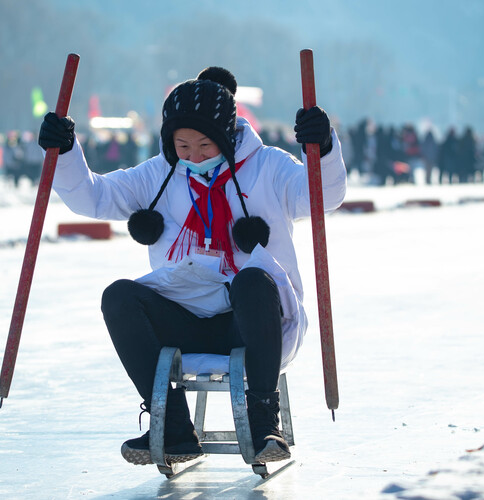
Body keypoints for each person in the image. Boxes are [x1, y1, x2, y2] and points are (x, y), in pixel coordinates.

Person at [38, 67, 347, 466]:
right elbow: (92, 197)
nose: (193, 157)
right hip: (184, 316)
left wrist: (321, 147)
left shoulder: (269, 167)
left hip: (254, 322)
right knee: (118, 296)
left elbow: (324, 197)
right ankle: (173, 427)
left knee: (254, 279)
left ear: (227, 135)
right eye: (182, 146)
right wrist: (63, 153)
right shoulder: (158, 174)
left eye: (204, 145)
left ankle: (262, 421)